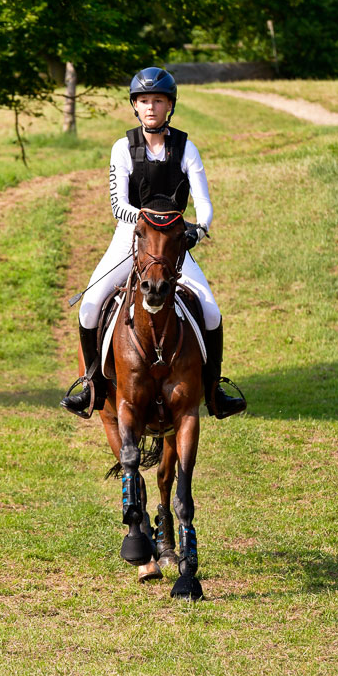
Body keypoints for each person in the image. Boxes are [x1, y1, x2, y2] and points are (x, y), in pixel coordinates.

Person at [61, 66, 246, 419]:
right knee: (89, 306)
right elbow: (118, 205)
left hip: (173, 243)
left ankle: (214, 390)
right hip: (131, 237)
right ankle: (91, 386)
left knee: (210, 311)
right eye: (144, 100)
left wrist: (197, 230)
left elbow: (204, 204)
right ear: (135, 105)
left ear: (170, 106)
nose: (151, 107)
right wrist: (153, 222)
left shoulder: (186, 148)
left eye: (158, 101)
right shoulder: (122, 148)